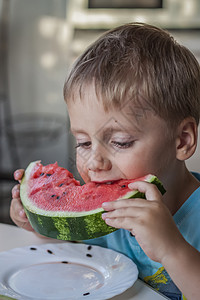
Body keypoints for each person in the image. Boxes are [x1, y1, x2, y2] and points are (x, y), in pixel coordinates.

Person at [10, 23, 200, 300]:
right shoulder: (103, 215)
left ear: (182, 140)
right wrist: (39, 224)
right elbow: (73, 244)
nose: (95, 162)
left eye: (121, 142)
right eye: (84, 143)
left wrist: (172, 249)